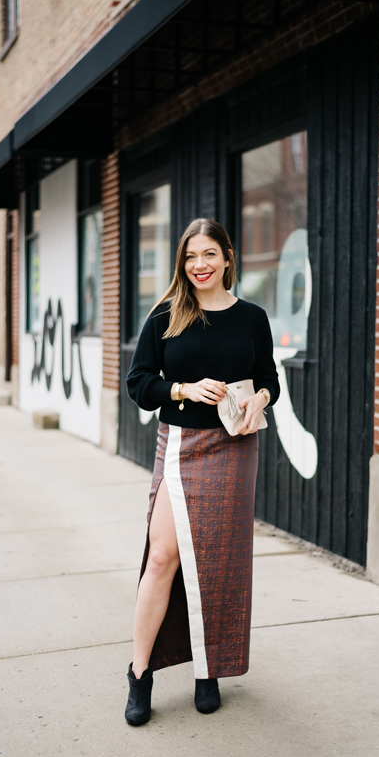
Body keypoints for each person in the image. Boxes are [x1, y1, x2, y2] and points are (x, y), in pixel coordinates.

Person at [125, 218, 280, 726]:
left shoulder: (252, 317)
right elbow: (139, 382)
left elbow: (269, 379)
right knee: (164, 556)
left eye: (209, 254)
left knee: (218, 562)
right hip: (182, 445)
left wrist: (260, 398)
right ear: (182, 262)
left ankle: (207, 670)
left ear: (228, 257)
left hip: (234, 449)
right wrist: (183, 390)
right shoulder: (166, 316)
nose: (200, 265)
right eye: (191, 257)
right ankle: (140, 673)